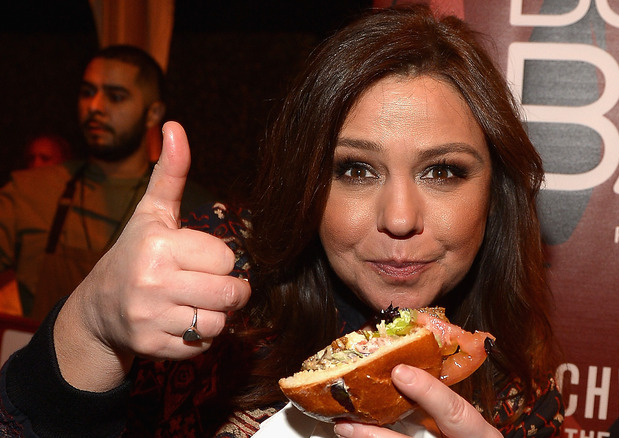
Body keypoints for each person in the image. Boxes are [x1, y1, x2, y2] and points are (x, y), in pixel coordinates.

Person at [0, 5, 564, 437]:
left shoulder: (518, 385)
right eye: (355, 169)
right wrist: (92, 324)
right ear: (307, 181)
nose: (399, 218)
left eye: (442, 172)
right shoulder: (219, 282)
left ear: (497, 190)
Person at [0, 45, 212, 320]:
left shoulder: (192, 206)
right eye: (88, 92)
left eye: (116, 96)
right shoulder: (30, 191)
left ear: (153, 113)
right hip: (43, 361)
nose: (95, 107)